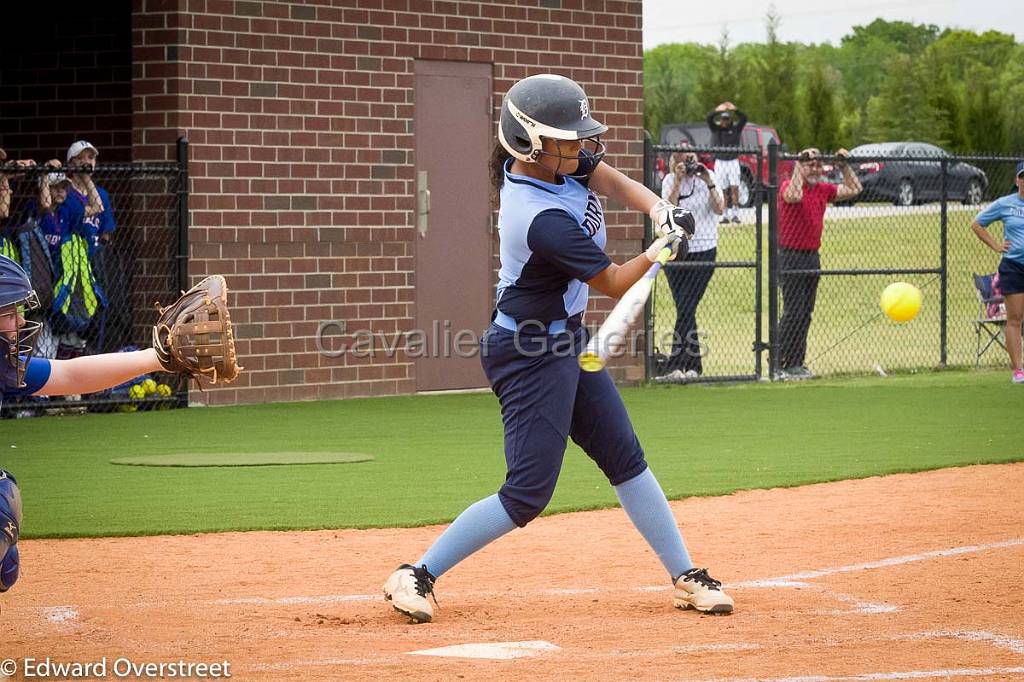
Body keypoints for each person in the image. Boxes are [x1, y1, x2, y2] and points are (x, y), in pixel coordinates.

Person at [382, 74, 734, 624]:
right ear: (530, 144)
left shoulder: (559, 163)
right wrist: (662, 249)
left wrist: (658, 212)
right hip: (527, 353)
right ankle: (416, 573)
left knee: (625, 458)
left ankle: (686, 576)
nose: (580, 147)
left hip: (566, 340)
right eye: (567, 139)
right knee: (526, 493)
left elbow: (616, 184)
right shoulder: (537, 216)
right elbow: (616, 281)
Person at [0, 253, 240, 592]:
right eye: (9, 313)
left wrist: (157, 358)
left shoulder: (4, 366)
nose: (20, 323)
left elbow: (69, 375)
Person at [776, 147, 862, 379]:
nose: (814, 169)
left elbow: (855, 189)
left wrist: (844, 167)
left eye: (817, 165)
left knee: (806, 312)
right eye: (809, 164)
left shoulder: (823, 189)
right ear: (800, 166)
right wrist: (797, 164)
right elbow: (793, 196)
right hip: (790, 255)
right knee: (793, 311)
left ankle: (797, 363)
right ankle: (779, 362)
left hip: (812, 255)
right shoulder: (789, 185)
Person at [657, 150, 724, 380]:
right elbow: (669, 209)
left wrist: (708, 181)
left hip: (704, 250)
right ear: (676, 162)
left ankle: (676, 365)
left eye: (692, 159)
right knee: (685, 309)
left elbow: (720, 208)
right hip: (677, 250)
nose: (690, 163)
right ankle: (694, 367)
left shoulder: (709, 177)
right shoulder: (668, 180)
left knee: (686, 307)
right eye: (684, 159)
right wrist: (677, 179)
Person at [970, 161, 1024, 384]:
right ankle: (1018, 371)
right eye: (1023, 177)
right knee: (1015, 319)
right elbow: (977, 224)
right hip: (1013, 267)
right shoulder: (1005, 204)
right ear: (1017, 180)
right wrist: (995, 245)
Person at [706, 102, 747, 224]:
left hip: (732, 161)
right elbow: (709, 118)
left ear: (730, 120)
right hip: (720, 162)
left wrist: (735, 109)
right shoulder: (717, 129)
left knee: (734, 187)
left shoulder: (735, 129)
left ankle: (735, 214)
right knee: (722, 189)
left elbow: (744, 118)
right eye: (723, 119)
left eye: (727, 119)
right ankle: (724, 214)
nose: (725, 121)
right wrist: (717, 110)